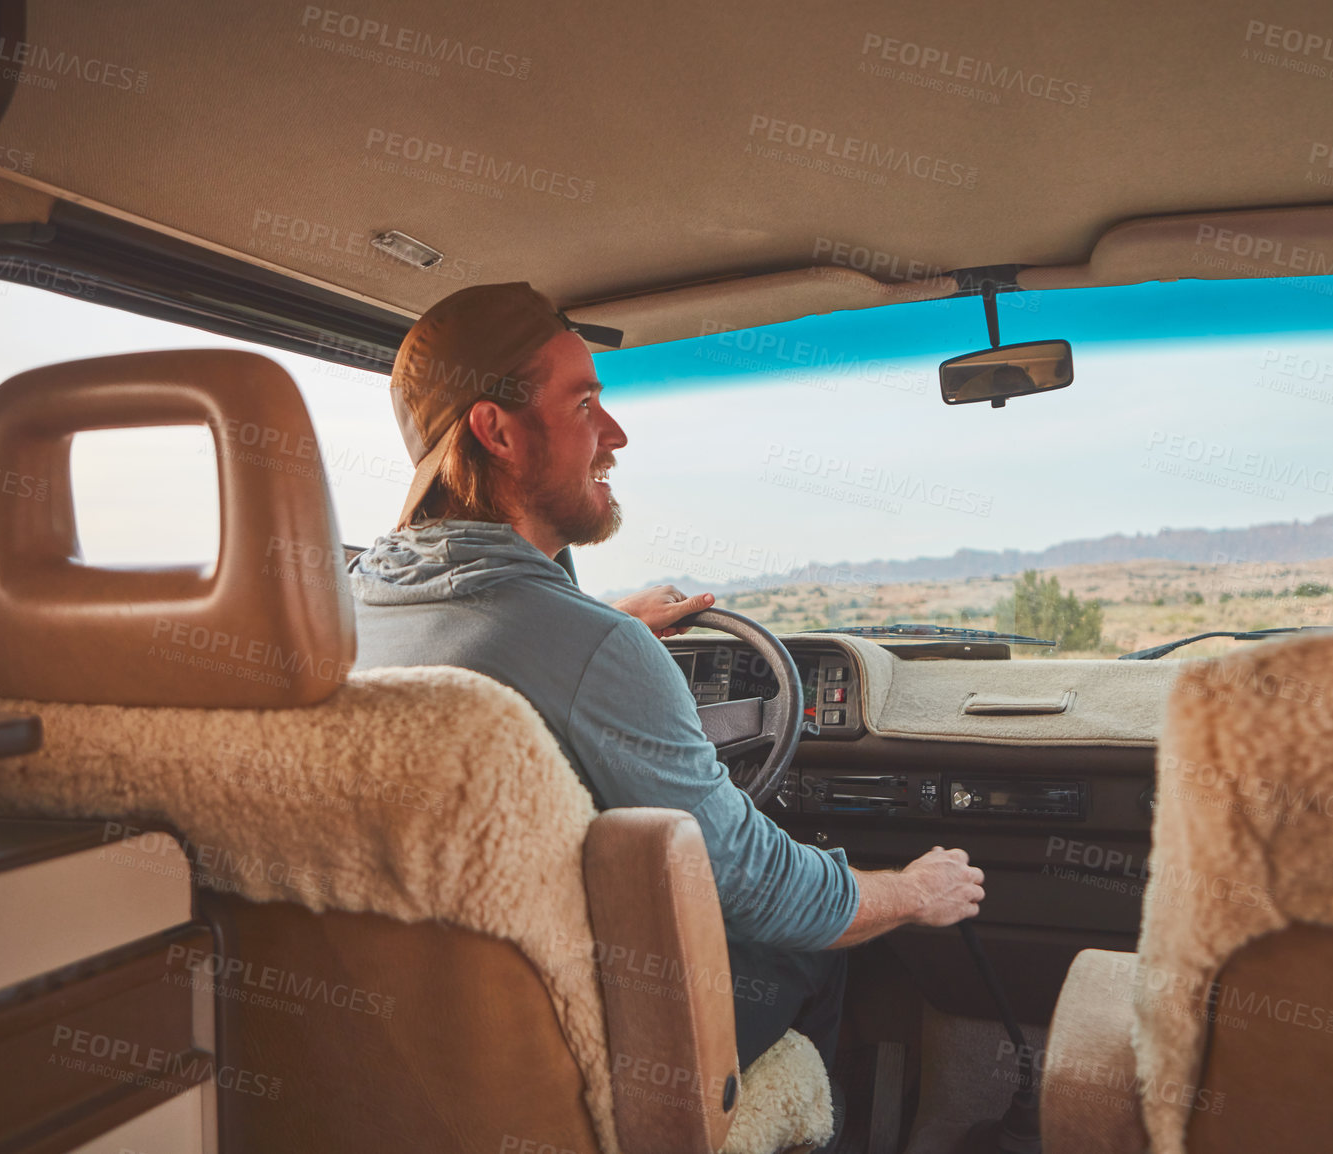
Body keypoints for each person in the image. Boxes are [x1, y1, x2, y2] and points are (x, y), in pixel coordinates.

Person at [348, 282, 984, 1074]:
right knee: (807, 955)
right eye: (585, 405)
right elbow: (755, 884)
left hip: (430, 1024)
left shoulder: (351, 606)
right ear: (497, 432)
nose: (615, 434)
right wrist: (913, 891)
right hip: (575, 1049)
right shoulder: (594, 653)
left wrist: (599, 635)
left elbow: (498, 640)